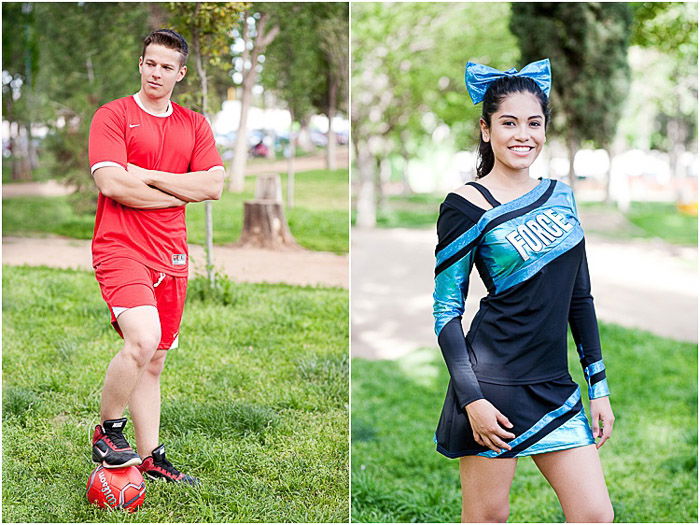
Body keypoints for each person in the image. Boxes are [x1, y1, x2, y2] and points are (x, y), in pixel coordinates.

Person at [432, 59, 615, 522]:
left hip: (554, 385)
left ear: (545, 129)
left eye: (534, 123)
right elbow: (446, 311)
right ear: (485, 128)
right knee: (487, 518)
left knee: (595, 514)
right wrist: (471, 400)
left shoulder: (562, 196)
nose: (522, 134)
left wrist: (599, 389)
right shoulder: (465, 205)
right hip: (491, 386)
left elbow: (580, 298)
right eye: (508, 122)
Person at [88, 29, 224, 484]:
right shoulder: (112, 116)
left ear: (180, 73)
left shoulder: (195, 125)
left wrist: (146, 176)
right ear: (140, 64)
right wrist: (179, 190)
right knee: (142, 340)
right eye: (150, 63)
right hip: (120, 247)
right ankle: (107, 430)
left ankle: (151, 456)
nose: (156, 72)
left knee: (157, 359)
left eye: (167, 66)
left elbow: (213, 186)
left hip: (172, 255)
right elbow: (112, 185)